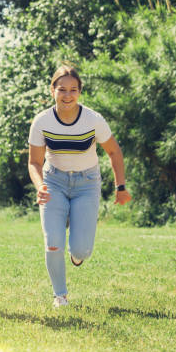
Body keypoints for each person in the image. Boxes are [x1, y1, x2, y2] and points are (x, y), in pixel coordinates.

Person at [28, 65, 131, 308]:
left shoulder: (93, 120)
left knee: (82, 250)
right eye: (62, 89)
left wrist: (121, 187)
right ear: (52, 90)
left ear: (80, 92)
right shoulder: (41, 121)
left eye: (73, 90)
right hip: (54, 182)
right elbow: (34, 162)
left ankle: (76, 249)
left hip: (86, 184)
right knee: (53, 241)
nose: (67, 95)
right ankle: (60, 296)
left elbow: (114, 152)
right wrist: (40, 185)